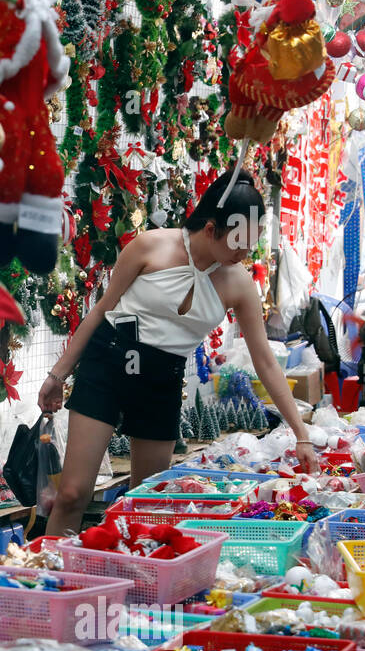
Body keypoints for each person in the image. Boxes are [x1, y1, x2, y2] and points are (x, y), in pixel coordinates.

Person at [36, 170, 318, 536]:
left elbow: (265, 361)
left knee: (146, 502)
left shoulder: (239, 282)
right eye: (238, 244)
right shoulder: (150, 246)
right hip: (108, 362)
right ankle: (47, 579)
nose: (245, 253)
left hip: (161, 381)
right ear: (212, 229)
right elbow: (100, 310)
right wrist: (57, 375)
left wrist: (301, 434)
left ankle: (130, 578)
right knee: (73, 493)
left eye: (251, 244)